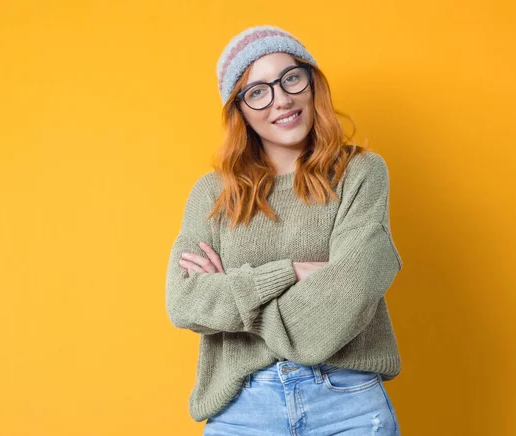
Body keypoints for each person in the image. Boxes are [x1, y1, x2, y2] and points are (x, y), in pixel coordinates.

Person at [165, 24, 403, 435]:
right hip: (242, 409)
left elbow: (348, 297)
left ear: (313, 84)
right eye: (257, 91)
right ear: (239, 110)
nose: (282, 99)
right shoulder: (213, 194)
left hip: (346, 405)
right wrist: (290, 272)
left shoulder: (360, 173)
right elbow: (184, 300)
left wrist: (233, 295)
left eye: (291, 78)